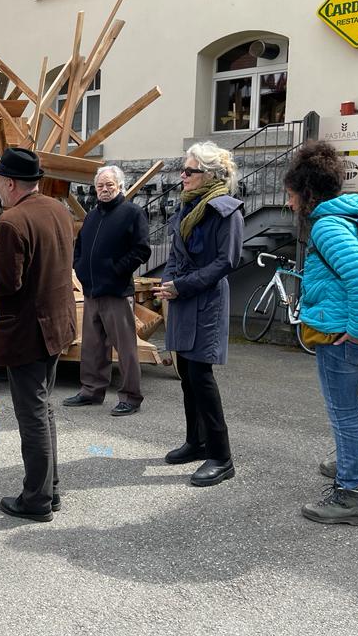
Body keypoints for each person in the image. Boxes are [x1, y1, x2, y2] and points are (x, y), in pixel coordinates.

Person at [283, 141, 358, 526]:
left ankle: (349, 495)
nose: (289, 204)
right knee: (350, 406)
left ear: (307, 193)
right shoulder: (356, 214)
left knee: (341, 412)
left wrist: (356, 334)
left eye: (291, 196)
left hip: (343, 336)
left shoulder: (326, 225)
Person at [0, 148, 76, 521]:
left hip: (30, 332)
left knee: (33, 414)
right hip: (56, 325)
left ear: (10, 184)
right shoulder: (58, 208)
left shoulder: (12, 221)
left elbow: (6, 284)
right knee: (43, 408)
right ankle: (48, 489)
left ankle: (37, 499)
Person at [153, 142, 244, 488]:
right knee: (187, 372)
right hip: (184, 296)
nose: (182, 176)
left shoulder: (226, 210)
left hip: (205, 299)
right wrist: (168, 282)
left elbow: (227, 262)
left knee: (201, 375)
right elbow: (176, 254)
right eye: (183, 169)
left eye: (189, 171)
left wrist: (182, 285)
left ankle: (222, 457)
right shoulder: (187, 207)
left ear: (208, 174)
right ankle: (196, 441)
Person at [66, 165, 151, 416]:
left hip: (116, 291)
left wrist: (116, 269)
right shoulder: (92, 216)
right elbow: (79, 248)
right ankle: (91, 390)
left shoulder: (132, 213)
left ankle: (130, 397)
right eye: (100, 186)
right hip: (92, 291)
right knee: (92, 346)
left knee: (125, 348)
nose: (104, 190)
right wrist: (79, 269)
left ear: (120, 187)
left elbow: (141, 250)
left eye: (109, 185)